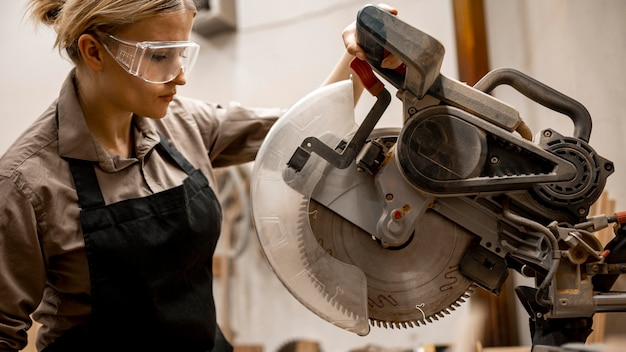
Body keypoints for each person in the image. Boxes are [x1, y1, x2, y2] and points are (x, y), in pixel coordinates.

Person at [0, 0, 400, 351]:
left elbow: (301, 132)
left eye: (182, 54)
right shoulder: (26, 183)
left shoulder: (186, 123)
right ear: (94, 52)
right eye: (160, 56)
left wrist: (362, 53)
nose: (180, 75)